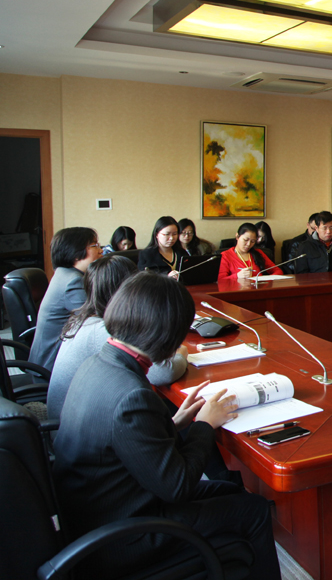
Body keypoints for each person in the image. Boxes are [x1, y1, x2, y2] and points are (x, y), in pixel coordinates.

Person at [51, 272, 279, 580]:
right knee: (253, 509)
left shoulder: (98, 363)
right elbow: (177, 486)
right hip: (122, 536)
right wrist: (203, 425)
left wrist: (175, 422)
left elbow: (125, 441)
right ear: (169, 334)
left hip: (100, 511)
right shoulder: (131, 396)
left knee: (228, 490)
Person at [48, 255, 188, 421]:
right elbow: (163, 373)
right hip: (78, 423)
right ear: (124, 290)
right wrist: (182, 354)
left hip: (79, 416)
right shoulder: (103, 330)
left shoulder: (84, 318)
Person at [28, 227, 103, 374]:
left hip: (52, 356)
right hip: (52, 365)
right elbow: (94, 321)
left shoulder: (64, 274)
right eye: (95, 245)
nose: (101, 250)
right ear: (76, 253)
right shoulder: (73, 281)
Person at [218, 223, 284, 281]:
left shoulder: (259, 253)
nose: (249, 244)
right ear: (237, 236)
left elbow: (278, 271)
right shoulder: (225, 256)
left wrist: (267, 279)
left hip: (259, 289)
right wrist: (237, 276)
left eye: (253, 241)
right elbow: (220, 280)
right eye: (245, 240)